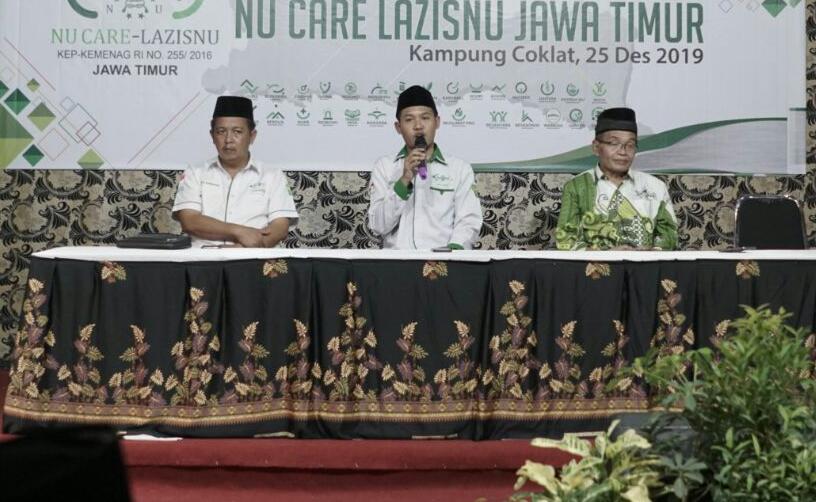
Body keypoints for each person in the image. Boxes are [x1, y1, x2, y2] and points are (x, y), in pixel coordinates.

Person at [172, 96, 298, 247]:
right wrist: (240, 231)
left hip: (253, 260)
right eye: (221, 131)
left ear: (252, 136)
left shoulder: (272, 175)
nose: (228, 140)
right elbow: (189, 221)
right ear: (212, 136)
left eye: (237, 131)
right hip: (203, 260)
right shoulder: (195, 172)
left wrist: (242, 249)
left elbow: (279, 227)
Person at [368, 85, 483, 249]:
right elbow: (378, 226)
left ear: (437, 122)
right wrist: (404, 180)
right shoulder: (385, 167)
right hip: (397, 263)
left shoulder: (460, 169)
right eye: (409, 120)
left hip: (444, 263)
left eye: (425, 118)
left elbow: (469, 220)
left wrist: (453, 251)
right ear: (398, 127)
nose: (418, 126)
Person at [555, 107, 678, 250]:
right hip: (595, 270)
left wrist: (649, 251)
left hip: (644, 268)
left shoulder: (656, 186)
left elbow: (671, 235)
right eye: (614, 143)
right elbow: (565, 240)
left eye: (630, 145)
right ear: (596, 147)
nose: (623, 152)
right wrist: (606, 254)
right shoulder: (577, 187)